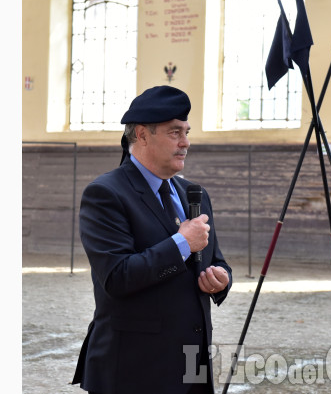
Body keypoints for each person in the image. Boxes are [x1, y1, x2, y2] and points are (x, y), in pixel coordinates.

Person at [71, 85, 233, 394]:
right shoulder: (106, 193)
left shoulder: (194, 194)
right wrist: (181, 242)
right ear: (143, 135)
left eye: (187, 132)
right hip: (134, 370)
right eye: (175, 133)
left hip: (192, 366)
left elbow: (213, 258)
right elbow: (117, 277)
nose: (185, 143)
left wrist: (221, 278)